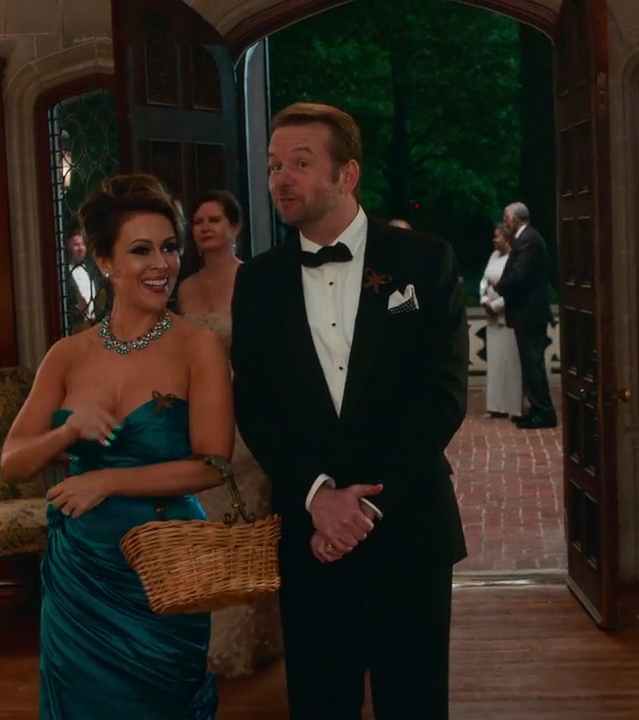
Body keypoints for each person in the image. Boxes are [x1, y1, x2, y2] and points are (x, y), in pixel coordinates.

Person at [231, 101, 469, 720]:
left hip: (408, 527)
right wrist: (318, 498)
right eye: (274, 165)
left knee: (415, 705)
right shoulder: (257, 283)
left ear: (348, 174)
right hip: (311, 539)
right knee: (319, 704)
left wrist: (360, 507)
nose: (281, 178)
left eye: (299, 163)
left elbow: (441, 396)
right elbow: (255, 407)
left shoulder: (425, 261)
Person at [0, 174, 234, 720]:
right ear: (105, 261)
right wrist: (67, 432)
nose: (162, 264)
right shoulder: (67, 354)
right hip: (81, 571)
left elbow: (213, 464)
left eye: (169, 248)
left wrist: (107, 480)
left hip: (166, 566)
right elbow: (13, 461)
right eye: (141, 250)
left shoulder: (197, 346)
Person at [174, 190, 284, 677]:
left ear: (235, 227)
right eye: (198, 221)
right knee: (210, 524)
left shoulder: (255, 280)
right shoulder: (184, 288)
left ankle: (258, 638)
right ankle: (211, 640)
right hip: (201, 412)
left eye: (214, 220)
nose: (204, 228)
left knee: (251, 522)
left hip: (249, 411)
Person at [496, 202, 557, 429]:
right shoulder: (525, 238)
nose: (505, 222)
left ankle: (544, 411)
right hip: (526, 312)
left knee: (533, 364)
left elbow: (519, 275)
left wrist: (501, 286)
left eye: (506, 218)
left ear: (515, 219)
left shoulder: (528, 239)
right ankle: (536, 408)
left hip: (530, 313)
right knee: (530, 365)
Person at [479, 223, 523, 419]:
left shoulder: (514, 259)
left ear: (507, 239)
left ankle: (512, 406)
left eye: (497, 236)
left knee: (510, 364)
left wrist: (496, 306)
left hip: (507, 318)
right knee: (495, 364)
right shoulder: (493, 256)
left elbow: (516, 287)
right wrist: (484, 300)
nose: (494, 240)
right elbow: (484, 281)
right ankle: (495, 405)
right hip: (492, 321)